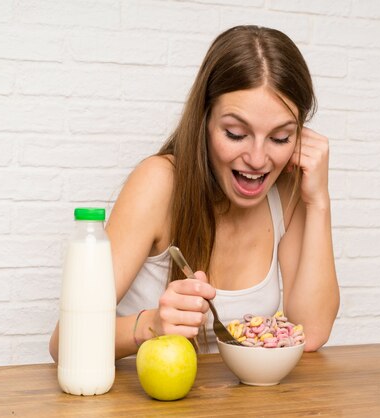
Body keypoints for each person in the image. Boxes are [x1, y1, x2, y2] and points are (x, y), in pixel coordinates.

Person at [49, 25, 339, 361]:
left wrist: (319, 201)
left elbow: (312, 332)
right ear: (204, 119)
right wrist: (150, 326)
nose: (258, 159)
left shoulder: (287, 189)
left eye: (280, 138)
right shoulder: (159, 182)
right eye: (235, 133)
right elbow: (64, 343)